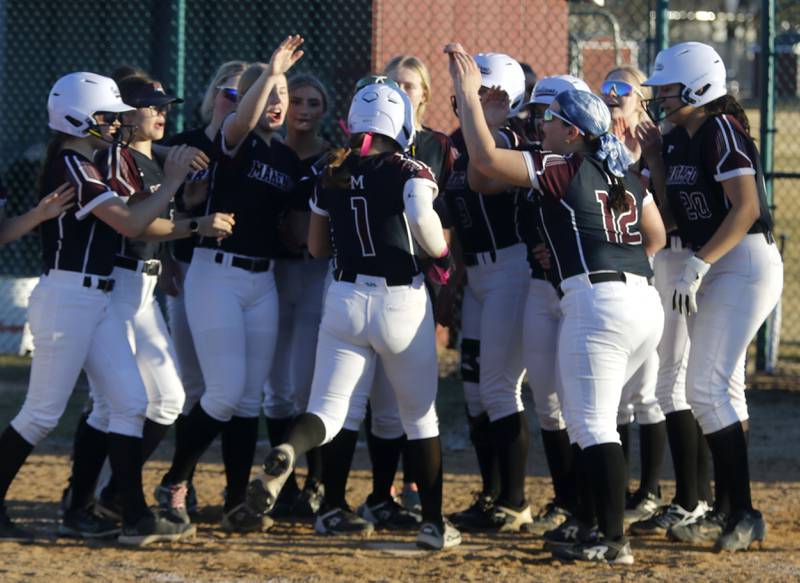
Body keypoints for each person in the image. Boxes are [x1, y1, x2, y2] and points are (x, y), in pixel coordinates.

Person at [446, 44, 666, 565]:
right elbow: (654, 236)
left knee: (591, 425)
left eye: (550, 120)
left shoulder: (563, 166)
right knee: (594, 418)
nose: (541, 125)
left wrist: (466, 97)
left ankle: (611, 540)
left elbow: (483, 159)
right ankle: (590, 522)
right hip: (641, 299)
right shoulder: (623, 174)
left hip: (597, 302)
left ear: (573, 132)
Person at [249, 77, 462, 551]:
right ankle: (432, 524)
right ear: (400, 122)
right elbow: (424, 221)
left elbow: (316, 246)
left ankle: (294, 458)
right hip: (399, 301)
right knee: (419, 418)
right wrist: (442, 258)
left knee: (329, 410)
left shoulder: (333, 169)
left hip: (344, 298)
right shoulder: (411, 168)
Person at [0, 72, 199, 545]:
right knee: (41, 414)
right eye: (106, 117)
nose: (115, 125)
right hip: (67, 299)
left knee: (130, 402)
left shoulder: (87, 163)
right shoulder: (74, 165)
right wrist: (171, 183)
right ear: (78, 118)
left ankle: (133, 514)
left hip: (99, 297)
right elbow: (131, 222)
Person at [156, 35, 305, 534]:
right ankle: (175, 482)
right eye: (267, 91)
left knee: (247, 401)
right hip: (215, 274)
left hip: (262, 283)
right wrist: (269, 72)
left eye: (283, 91)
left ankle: (238, 499)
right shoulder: (231, 142)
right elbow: (238, 123)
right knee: (220, 395)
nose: (277, 101)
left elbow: (297, 228)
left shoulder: (287, 160)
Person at [637, 41, 782, 551]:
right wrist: (654, 156)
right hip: (716, 261)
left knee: (704, 387)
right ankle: (727, 509)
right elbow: (674, 216)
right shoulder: (678, 138)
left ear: (700, 87)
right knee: (721, 390)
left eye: (670, 89)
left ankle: (743, 511)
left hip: (740, 260)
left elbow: (745, 207)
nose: (662, 97)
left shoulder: (720, 129)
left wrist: (699, 264)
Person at [78, 75, 235, 522]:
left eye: (165, 106)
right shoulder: (115, 158)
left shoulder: (147, 156)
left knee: (167, 400)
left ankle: (110, 495)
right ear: (124, 113)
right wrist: (195, 226)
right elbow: (132, 222)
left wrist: (172, 237)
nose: (163, 114)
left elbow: (159, 207)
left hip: (144, 289)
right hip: (116, 286)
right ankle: (85, 500)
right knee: (108, 405)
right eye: (152, 107)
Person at [435, 52, 534, 533]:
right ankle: (491, 493)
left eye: (482, 90)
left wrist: (485, 119)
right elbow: (451, 219)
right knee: (473, 392)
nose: (467, 97)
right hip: (476, 277)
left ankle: (515, 501)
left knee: (499, 388)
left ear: (505, 99)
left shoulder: (511, 141)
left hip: (511, 272)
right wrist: (453, 275)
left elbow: (487, 179)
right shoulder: (453, 143)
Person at [157, 60, 247, 517]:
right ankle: (182, 483)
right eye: (228, 94)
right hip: (189, 268)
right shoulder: (184, 144)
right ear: (213, 95)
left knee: (234, 390)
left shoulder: (251, 147)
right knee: (192, 385)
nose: (233, 102)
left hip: (238, 277)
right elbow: (156, 207)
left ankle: (236, 493)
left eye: (242, 96)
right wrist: (169, 256)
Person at [598, 66, 668, 527]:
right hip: (616, 275)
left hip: (656, 267)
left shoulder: (654, 141)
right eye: (605, 89)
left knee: (649, 389)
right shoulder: (600, 142)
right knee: (620, 390)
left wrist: (643, 155)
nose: (612, 95)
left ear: (642, 98)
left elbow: (665, 204)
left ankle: (652, 487)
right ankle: (619, 485)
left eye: (622, 88)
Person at [263, 73, 331, 518]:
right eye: (297, 101)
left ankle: (317, 482)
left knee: (309, 381)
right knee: (276, 387)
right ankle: (280, 483)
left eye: (314, 102)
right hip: (272, 273)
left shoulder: (332, 158)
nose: (304, 110)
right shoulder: (269, 152)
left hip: (314, 272)